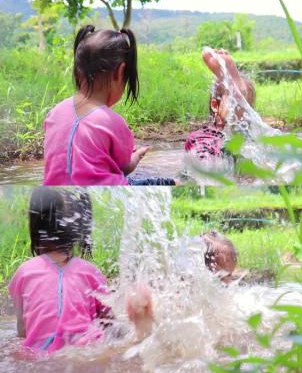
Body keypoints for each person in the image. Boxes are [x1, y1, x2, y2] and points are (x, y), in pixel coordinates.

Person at [9, 187, 155, 352]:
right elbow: (108, 323)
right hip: (87, 347)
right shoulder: (90, 272)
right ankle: (141, 324)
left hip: (40, 352)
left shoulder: (24, 273)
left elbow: (22, 330)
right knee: (117, 338)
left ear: (35, 228)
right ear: (79, 232)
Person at [43, 25, 175, 185]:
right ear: (120, 72)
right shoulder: (112, 121)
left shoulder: (55, 112)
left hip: (56, 194)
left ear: (78, 70)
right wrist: (135, 157)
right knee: (171, 183)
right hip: (107, 194)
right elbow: (124, 168)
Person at [184, 48, 257, 162]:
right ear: (215, 105)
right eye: (234, 103)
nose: (243, 114)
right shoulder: (202, 139)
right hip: (214, 159)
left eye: (247, 107)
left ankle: (233, 91)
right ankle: (233, 91)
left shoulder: (255, 141)